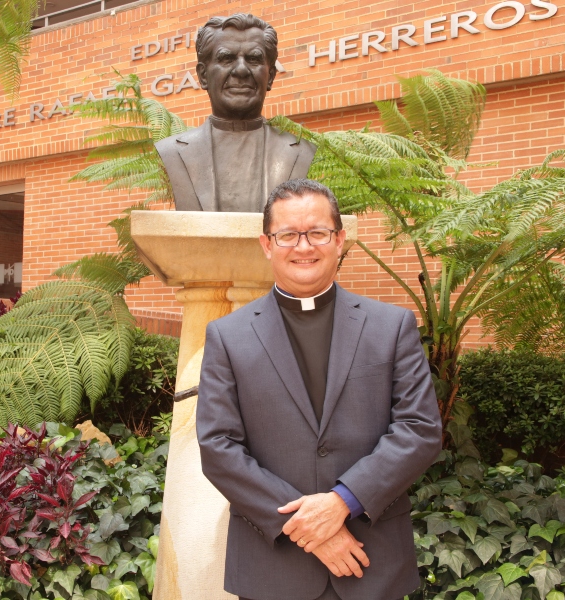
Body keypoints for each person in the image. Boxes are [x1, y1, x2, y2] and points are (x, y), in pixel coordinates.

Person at [196, 179, 442, 600]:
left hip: (371, 561)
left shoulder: (391, 327)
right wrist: (311, 527)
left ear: (340, 240)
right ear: (267, 244)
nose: (303, 247)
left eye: (318, 233)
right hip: (272, 567)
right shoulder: (227, 336)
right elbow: (219, 447)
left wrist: (342, 501)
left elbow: (419, 429)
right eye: (288, 235)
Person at [155, 14, 316, 212]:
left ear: (271, 76)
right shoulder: (172, 152)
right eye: (226, 59)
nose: (241, 70)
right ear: (203, 76)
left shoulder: (303, 151)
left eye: (254, 59)